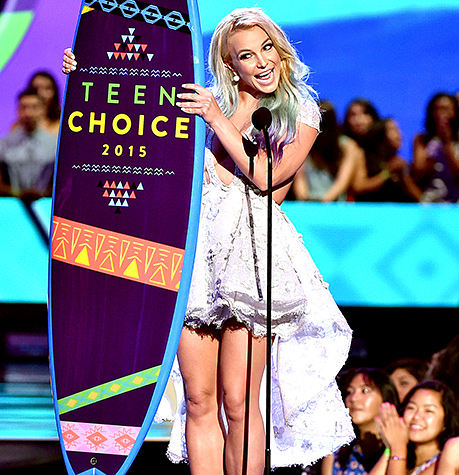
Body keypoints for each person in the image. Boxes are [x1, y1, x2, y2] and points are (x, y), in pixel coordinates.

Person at [63, 7, 354, 474]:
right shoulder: (201, 102)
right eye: (246, 55)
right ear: (229, 63)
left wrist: (219, 119)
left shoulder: (298, 110)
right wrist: (89, 75)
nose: (260, 62)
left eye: (266, 50)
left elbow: (267, 179)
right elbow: (128, 119)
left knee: (237, 398)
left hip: (252, 257)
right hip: (195, 258)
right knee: (199, 400)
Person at [321, 368, 400, 475]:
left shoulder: (401, 449)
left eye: (365, 391)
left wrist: (393, 448)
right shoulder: (337, 449)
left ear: (386, 396)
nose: (353, 398)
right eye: (350, 392)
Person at [375, 380, 459, 475]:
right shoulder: (403, 456)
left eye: (428, 411)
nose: (416, 416)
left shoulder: (444, 461)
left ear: (446, 421)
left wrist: (398, 448)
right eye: (411, 408)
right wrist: (390, 447)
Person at [292, 100, 361, 202]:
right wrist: (304, 200)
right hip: (308, 204)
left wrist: (324, 202)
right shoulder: (302, 143)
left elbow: (342, 182)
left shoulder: (347, 146)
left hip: (335, 206)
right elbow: (299, 178)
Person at [0, 87, 57, 200]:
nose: (28, 113)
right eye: (24, 108)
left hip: (46, 205)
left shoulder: (55, 145)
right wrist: (17, 194)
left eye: (34, 107)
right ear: (17, 110)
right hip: (11, 205)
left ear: (43, 110)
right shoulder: (4, 144)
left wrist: (43, 193)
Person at [412, 93, 459, 203]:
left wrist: (447, 143)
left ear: (455, 112)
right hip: (430, 201)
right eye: (437, 109)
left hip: (458, 202)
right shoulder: (422, 139)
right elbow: (418, 174)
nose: (441, 114)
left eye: (446, 109)